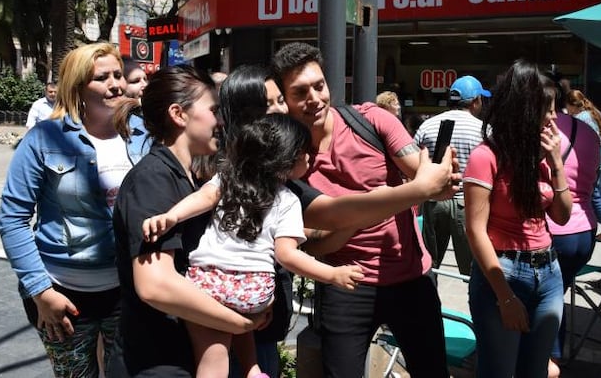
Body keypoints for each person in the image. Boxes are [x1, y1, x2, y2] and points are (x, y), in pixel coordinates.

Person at [144, 63, 457, 378]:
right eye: (271, 103)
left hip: (260, 316)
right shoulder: (208, 173)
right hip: (210, 313)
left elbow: (328, 224)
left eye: (282, 100)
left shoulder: (282, 179)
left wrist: (417, 189)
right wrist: (415, 192)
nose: (283, 110)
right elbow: (329, 219)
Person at [271, 42, 456, 378]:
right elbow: (314, 245)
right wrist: (398, 197)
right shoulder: (290, 165)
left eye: (319, 85)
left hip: (412, 277)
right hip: (346, 284)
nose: (314, 98)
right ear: (283, 100)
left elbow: (425, 176)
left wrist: (435, 183)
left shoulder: (371, 120)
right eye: (300, 91)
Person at [143, 114, 365, 378]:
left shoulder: (226, 179)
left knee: (213, 357)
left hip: (208, 284)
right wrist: (332, 274)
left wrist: (173, 216)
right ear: (287, 160)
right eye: (305, 154)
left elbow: (203, 197)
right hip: (254, 291)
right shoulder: (288, 200)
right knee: (236, 317)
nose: (309, 158)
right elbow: (287, 256)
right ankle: (252, 369)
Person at [0, 43, 150, 377]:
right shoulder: (43, 139)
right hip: (61, 295)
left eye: (118, 75)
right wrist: (41, 292)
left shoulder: (143, 136)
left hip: (128, 291)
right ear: (77, 86)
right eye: (101, 78)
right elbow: (12, 219)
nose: (116, 84)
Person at [109, 66, 271, 377]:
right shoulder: (153, 180)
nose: (221, 121)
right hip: (155, 363)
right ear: (178, 114)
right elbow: (156, 285)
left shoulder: (188, 180)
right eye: (213, 111)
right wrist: (236, 322)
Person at [463, 59, 572, 378]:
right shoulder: (486, 156)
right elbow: (474, 230)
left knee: (535, 370)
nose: (554, 118)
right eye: (548, 109)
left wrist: (556, 163)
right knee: (499, 370)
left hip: (549, 273)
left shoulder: (541, 157)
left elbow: (562, 216)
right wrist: (504, 296)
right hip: (504, 272)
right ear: (524, 110)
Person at [548, 88, 601, 377]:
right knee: (556, 295)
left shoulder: (544, 132)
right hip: (586, 231)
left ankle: (551, 361)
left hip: (556, 229)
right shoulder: (588, 132)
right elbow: (595, 179)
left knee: (547, 300)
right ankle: (553, 359)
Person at [414, 74, 490, 275]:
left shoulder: (427, 125)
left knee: (430, 264)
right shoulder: (484, 130)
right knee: (473, 268)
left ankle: (429, 303)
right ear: (475, 101)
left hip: (433, 202)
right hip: (468, 205)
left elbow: (413, 164)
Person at [566, 89, 601, 242]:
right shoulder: (594, 113)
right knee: (592, 194)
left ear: (572, 105)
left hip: (589, 161)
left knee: (593, 195)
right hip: (599, 159)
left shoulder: (580, 118)